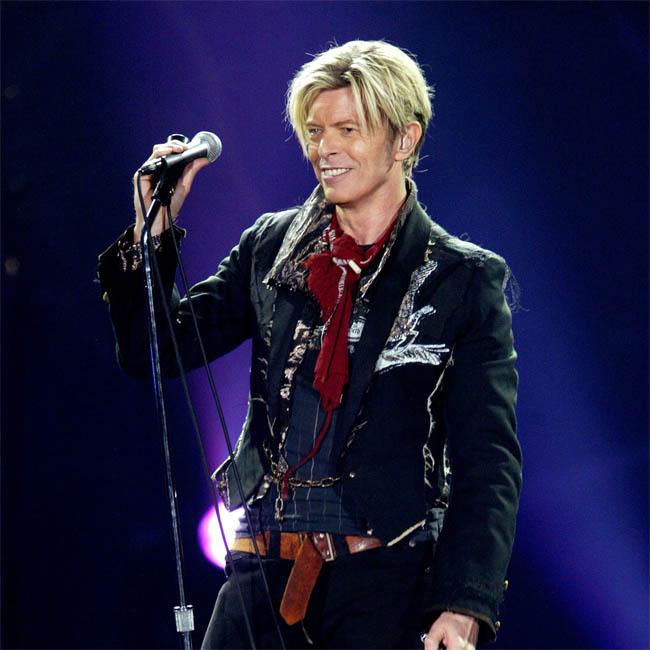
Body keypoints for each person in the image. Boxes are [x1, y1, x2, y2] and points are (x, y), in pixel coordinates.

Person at [98, 40, 522, 650]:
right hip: (261, 574)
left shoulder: (461, 279)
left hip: (384, 586)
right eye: (316, 131)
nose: (326, 149)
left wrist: (463, 605)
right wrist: (152, 232)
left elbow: (489, 462)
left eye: (348, 129)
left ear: (404, 140)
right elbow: (153, 350)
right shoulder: (271, 248)